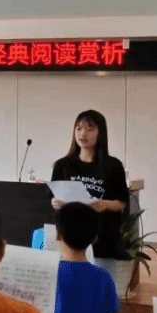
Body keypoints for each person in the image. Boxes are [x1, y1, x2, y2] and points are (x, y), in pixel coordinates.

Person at [50, 109, 130, 261]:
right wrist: (55, 202)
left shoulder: (113, 166)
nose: (82, 134)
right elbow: (54, 198)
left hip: (103, 239)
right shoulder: (62, 165)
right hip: (71, 239)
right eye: (79, 128)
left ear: (101, 133)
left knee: (100, 275)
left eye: (90, 129)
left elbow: (121, 203)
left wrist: (105, 204)